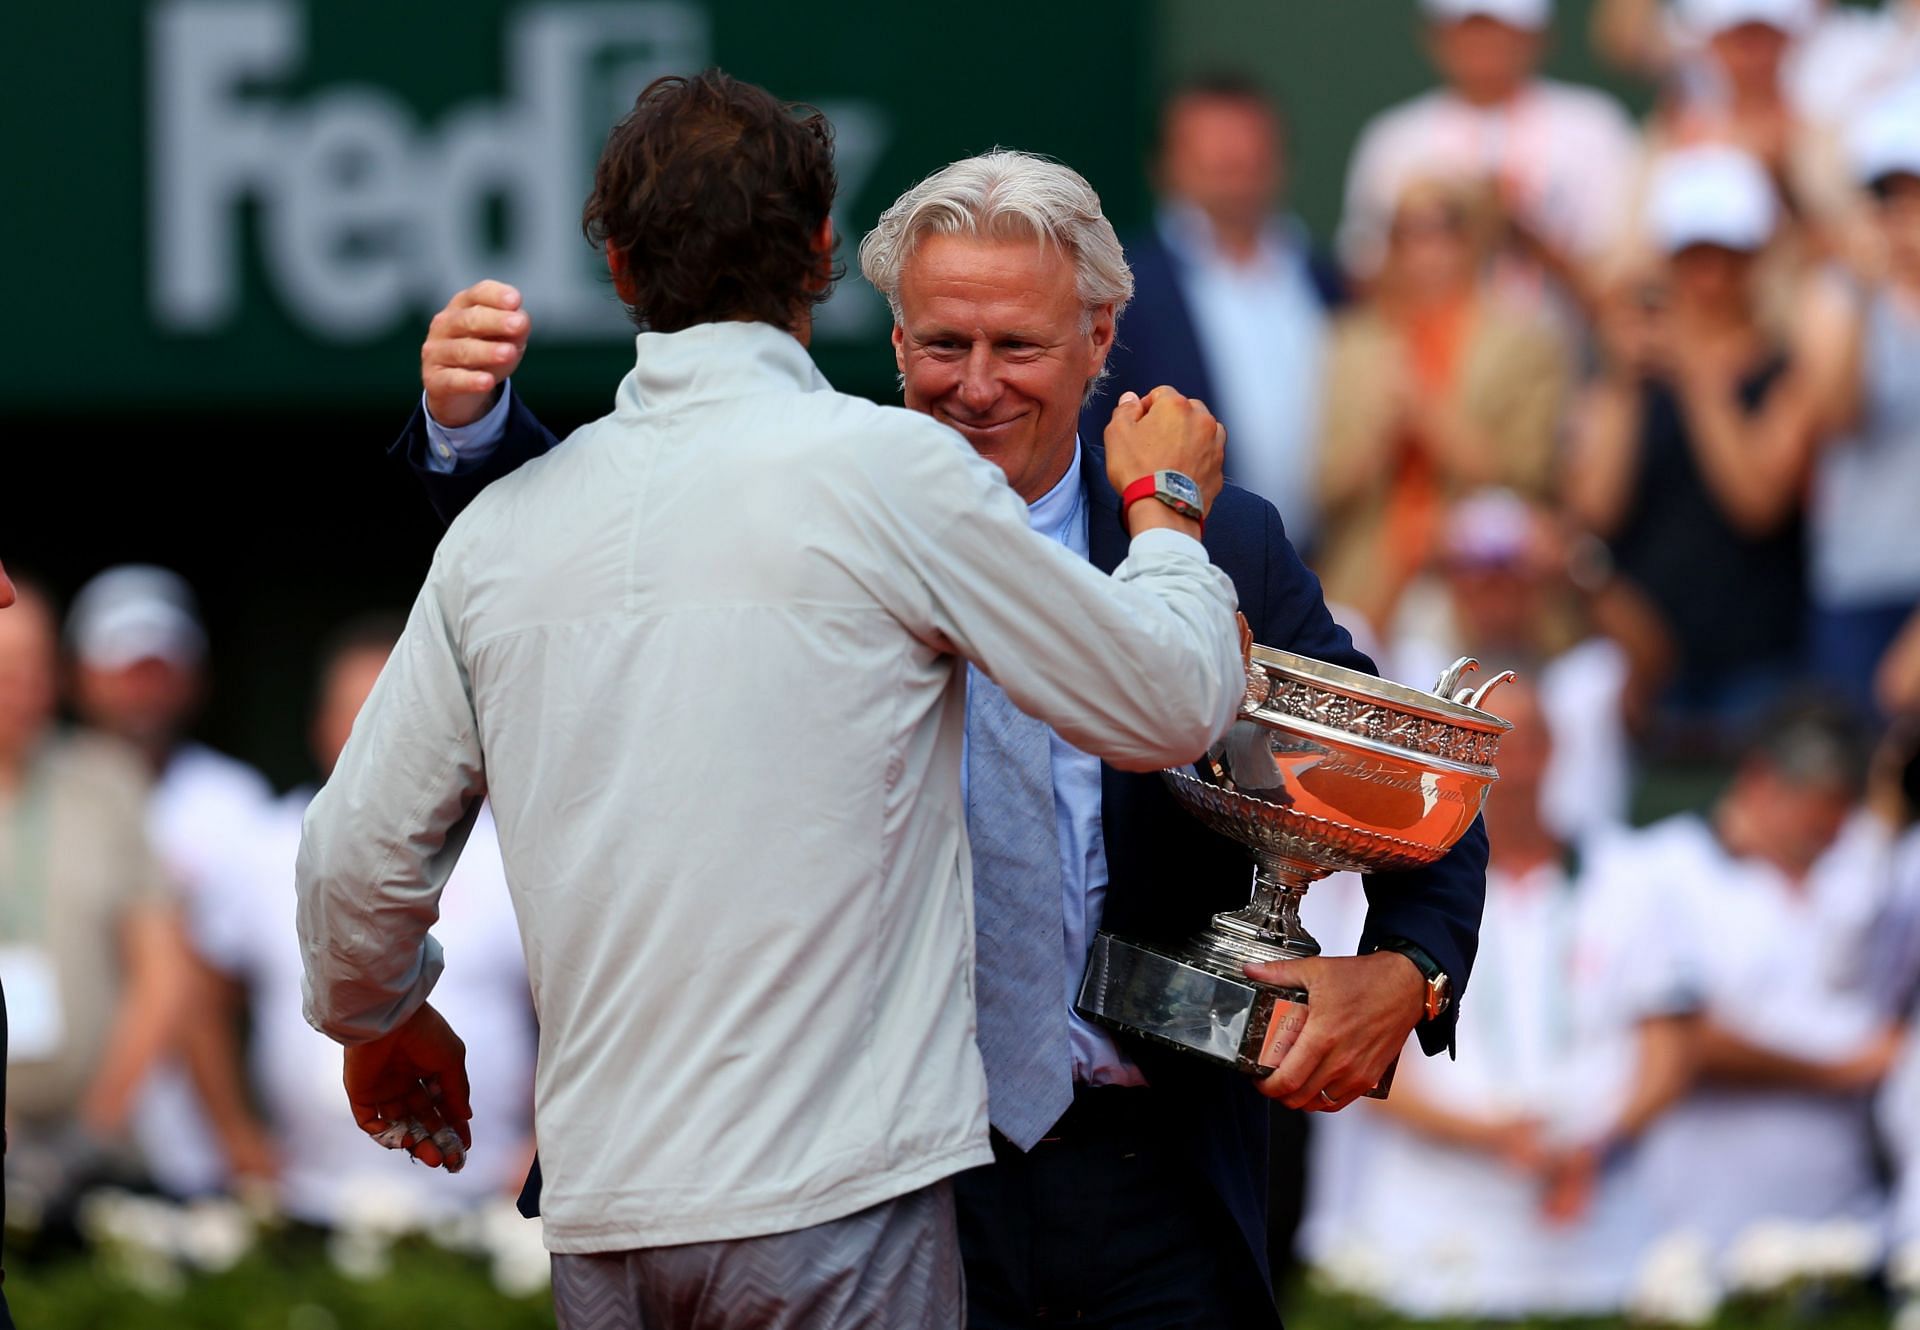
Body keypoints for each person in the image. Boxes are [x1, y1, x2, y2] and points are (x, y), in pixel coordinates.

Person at [394, 142, 1490, 1325]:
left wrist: (1409, 970)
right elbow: (609, 562)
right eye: (940, 346)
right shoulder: (810, 505)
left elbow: (1397, 764)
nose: (975, 386)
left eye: (1016, 347)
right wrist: (480, 434)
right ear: (894, 338)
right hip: (880, 1188)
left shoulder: (1219, 540)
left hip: (1153, 1182)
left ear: (1102, 338)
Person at [300, 71, 1248, 1330]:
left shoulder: (500, 533)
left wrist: (379, 1014)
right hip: (837, 1206)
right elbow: (1172, 701)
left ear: (623, 269)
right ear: (820, 253)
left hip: (609, 1220)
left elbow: (351, 867)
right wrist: (1169, 517)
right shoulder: (893, 470)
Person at [1323, 680, 1696, 1317]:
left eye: (1518, 746)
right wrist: (1490, 1136)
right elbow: (1352, 1047)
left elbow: (1669, 1048)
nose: (1505, 770)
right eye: (1480, 748)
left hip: (1600, 1243)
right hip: (1430, 1242)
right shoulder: (1384, 880)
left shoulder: (1629, 873)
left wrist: (1596, 1144)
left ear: (1556, 751)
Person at [190, 616, 534, 1225]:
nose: (376, 740)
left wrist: (547, 1146)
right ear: (320, 723)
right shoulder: (261, 846)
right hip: (304, 1201)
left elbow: (580, 1002)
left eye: (393, 717)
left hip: (486, 1202)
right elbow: (200, 998)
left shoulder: (515, 848)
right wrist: (237, 1136)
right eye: (358, 715)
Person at [1626, 699, 1908, 1270]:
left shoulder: (1856, 873)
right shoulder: (1660, 869)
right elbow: (1685, 1044)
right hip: (1698, 1242)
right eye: (1820, 805)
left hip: (1850, 1235)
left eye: (1845, 809)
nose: (1832, 827)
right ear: (1761, 782)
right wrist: (1848, 1067)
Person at [1566, 144, 1820, 736]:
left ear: (1755, 261)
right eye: (1693, 259)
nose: (1710, 279)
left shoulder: (1789, 371)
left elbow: (1756, 502)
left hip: (1760, 660)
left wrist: (1698, 372)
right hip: (1644, 664)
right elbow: (1594, 511)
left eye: (1728, 258)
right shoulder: (1624, 379)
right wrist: (1627, 381)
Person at [64, 565, 274, 1197]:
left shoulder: (234, 801)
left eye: (160, 665)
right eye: (123, 665)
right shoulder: (44, 789)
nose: (142, 687)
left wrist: (239, 1129)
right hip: (62, 1133)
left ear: (196, 677)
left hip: (200, 1147)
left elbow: (250, 977)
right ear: (78, 676)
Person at [1080, 74, 1340, 549]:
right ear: (1165, 164)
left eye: (1250, 147)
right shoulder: (1122, 288)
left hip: (1330, 573)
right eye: (1213, 148)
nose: (1235, 161)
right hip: (1185, 561)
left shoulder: (1326, 279)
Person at [0, 580, 188, 1233]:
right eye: (4, 668)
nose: (21, 686)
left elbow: (162, 970)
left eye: (35, 667)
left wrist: (96, 1124)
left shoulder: (106, 780)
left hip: (100, 1148)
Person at [1315, 174, 1571, 633]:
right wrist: (1380, 440)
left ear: (1473, 239)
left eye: (1442, 230)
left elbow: (1527, 478)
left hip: (1487, 588)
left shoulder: (1525, 341)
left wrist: (1427, 412)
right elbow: (1325, 487)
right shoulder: (1351, 343)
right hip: (1370, 582)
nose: (1424, 250)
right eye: (1406, 233)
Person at [1339, 0, 1641, 311]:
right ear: (1435, 36)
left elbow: (1620, 285)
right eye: (1467, 29)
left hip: (1569, 351)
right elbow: (1362, 277)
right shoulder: (1395, 140)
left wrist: (1519, 230)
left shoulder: (1594, 127)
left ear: (1538, 36)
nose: (1481, 44)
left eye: (1498, 29)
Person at [1805, 89, 1920, 715]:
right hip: (1858, 581)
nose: (1904, 215)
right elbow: (1838, 415)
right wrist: (1863, 292)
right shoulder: (1839, 296)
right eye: (1888, 199)